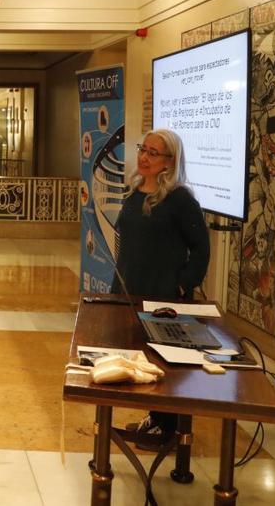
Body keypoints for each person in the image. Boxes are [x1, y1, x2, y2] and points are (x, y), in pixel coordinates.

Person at [115, 128, 210, 446]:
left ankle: (169, 427)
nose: (143, 156)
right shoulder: (136, 189)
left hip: (163, 294)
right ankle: (154, 418)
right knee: (141, 358)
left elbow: (201, 248)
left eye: (153, 153)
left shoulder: (180, 199)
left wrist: (182, 285)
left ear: (170, 161)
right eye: (143, 149)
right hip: (131, 288)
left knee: (165, 363)